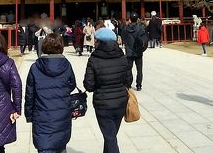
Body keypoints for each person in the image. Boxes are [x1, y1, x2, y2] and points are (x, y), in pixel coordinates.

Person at [83, 25, 132, 153]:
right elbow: (128, 80)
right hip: (121, 101)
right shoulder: (122, 57)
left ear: (99, 42)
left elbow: (89, 85)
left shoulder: (93, 59)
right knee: (110, 135)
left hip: (103, 103)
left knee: (110, 137)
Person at [25, 34, 76, 153]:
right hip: (62, 111)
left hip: (42, 113)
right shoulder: (66, 65)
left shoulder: (35, 67)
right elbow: (72, 84)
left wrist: (29, 115)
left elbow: (29, 95)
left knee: (44, 146)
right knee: (60, 145)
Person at [123, 13, 148, 91]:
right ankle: (139, 85)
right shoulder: (141, 28)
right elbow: (145, 39)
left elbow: (124, 37)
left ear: (130, 19)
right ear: (137, 19)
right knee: (139, 69)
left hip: (129, 51)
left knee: (128, 69)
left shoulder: (126, 28)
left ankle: (128, 83)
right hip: (138, 51)